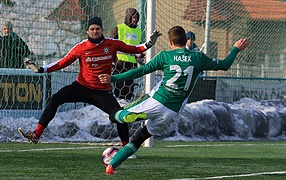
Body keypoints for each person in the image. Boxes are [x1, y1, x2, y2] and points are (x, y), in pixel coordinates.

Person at [98, 26, 250, 174]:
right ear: (186, 40)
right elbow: (224, 65)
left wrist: (114, 78)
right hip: (172, 110)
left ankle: (127, 115)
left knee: (116, 115)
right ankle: (112, 165)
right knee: (141, 137)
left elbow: (141, 71)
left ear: (171, 42)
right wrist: (235, 48)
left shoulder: (165, 56)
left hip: (157, 100)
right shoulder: (198, 57)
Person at [18, 16, 161, 151]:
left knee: (120, 116)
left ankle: (127, 149)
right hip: (81, 87)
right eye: (92, 29)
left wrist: (149, 44)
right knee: (55, 99)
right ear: (87, 31)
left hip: (102, 92)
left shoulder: (112, 44)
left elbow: (134, 49)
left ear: (102, 30)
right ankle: (36, 134)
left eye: (97, 29)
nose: (95, 31)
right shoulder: (81, 47)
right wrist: (42, 69)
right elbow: (62, 63)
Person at [110, 8, 143, 101]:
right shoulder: (118, 28)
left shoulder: (138, 31)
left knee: (129, 87)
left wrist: (141, 59)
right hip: (119, 63)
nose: (134, 20)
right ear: (127, 17)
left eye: (136, 18)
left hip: (132, 64)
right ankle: (118, 104)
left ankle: (127, 103)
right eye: (132, 17)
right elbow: (110, 46)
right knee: (119, 86)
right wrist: (111, 60)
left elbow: (140, 46)